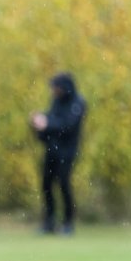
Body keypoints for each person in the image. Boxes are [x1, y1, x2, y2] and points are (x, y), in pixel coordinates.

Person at [30, 73, 87, 235]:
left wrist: (46, 124)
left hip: (67, 151)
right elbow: (53, 119)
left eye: (56, 88)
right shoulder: (57, 101)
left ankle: (68, 223)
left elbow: (67, 126)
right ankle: (49, 222)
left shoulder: (78, 103)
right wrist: (38, 123)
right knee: (46, 184)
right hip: (52, 150)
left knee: (63, 184)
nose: (54, 91)